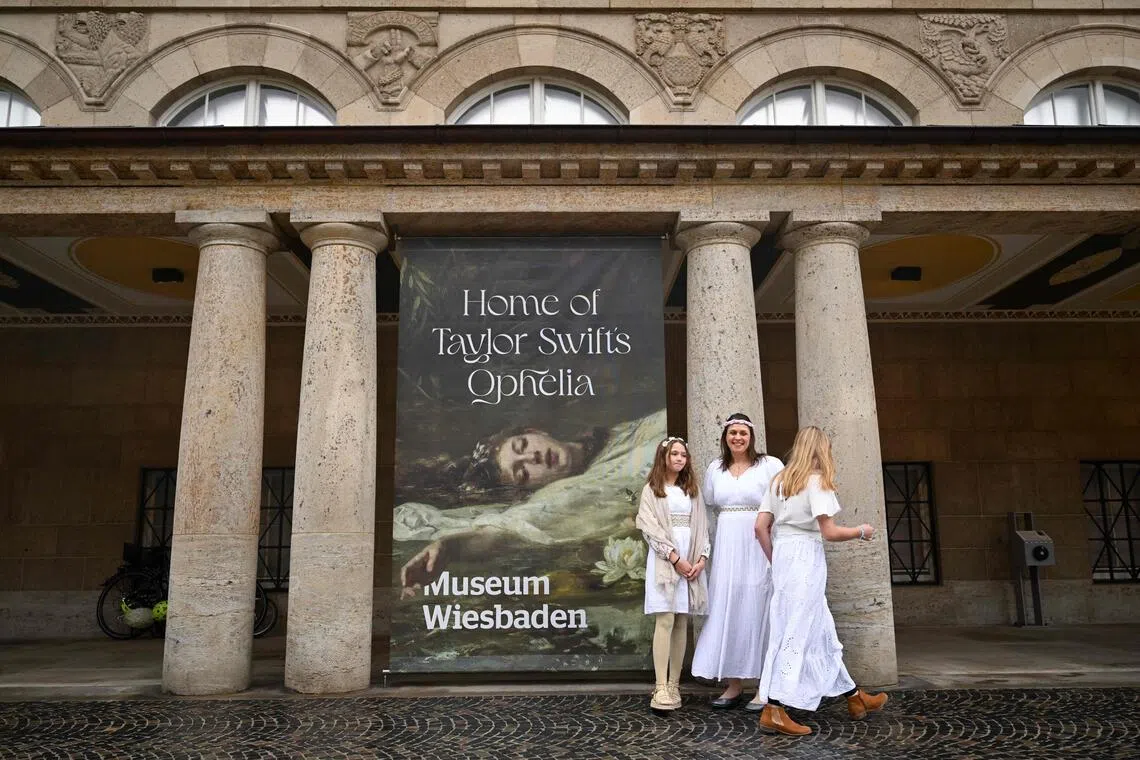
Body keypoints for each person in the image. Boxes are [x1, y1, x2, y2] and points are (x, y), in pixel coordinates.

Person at [396, 409, 664, 598]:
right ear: (531, 489)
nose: (532, 457)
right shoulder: (566, 495)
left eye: (522, 445)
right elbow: (509, 529)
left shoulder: (616, 435)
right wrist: (450, 547)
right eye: (522, 472)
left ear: (535, 431)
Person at [753, 426, 889, 736]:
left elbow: (761, 527)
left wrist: (777, 562)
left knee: (820, 629)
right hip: (806, 557)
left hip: (786, 558)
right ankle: (774, 708)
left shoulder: (779, 481)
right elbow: (829, 532)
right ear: (820, 450)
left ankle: (855, 697)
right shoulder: (816, 482)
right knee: (797, 631)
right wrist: (861, 531)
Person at [690, 412, 784, 711]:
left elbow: (784, 505)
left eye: (743, 433)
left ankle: (763, 687)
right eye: (733, 433)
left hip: (760, 542)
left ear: (751, 436)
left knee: (759, 607)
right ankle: (733, 684)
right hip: (728, 544)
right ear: (725, 437)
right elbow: (707, 508)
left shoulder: (770, 465)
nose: (738, 438)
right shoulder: (715, 468)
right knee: (728, 607)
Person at [635, 436, 710, 712]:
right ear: (664, 457)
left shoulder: (692, 490)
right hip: (665, 562)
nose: (679, 459)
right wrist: (675, 558)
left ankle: (675, 684)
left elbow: (702, 525)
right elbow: (649, 529)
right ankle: (660, 686)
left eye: (683, 455)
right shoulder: (652, 490)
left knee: (681, 621)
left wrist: (700, 558)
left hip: (690, 560)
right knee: (665, 619)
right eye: (674, 454)